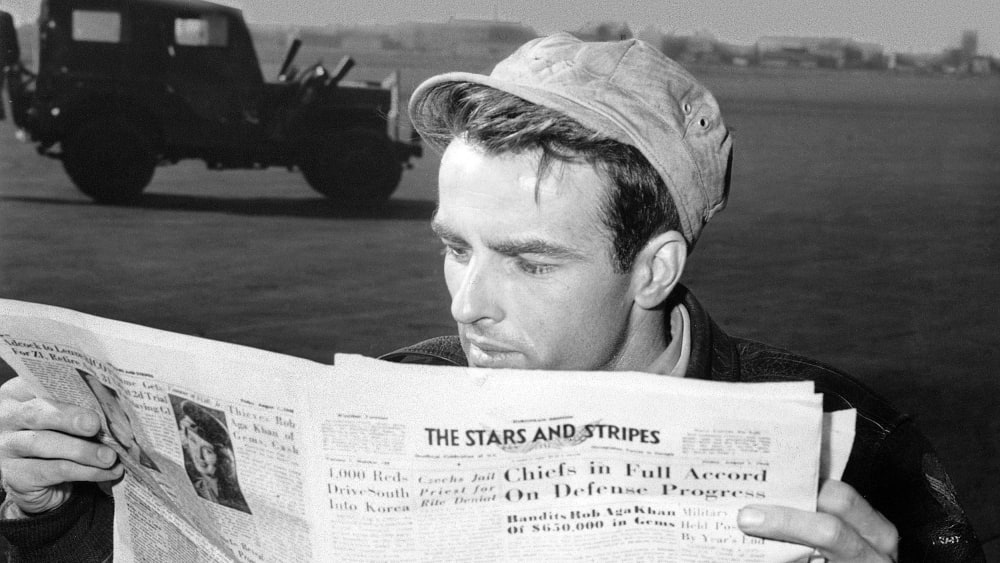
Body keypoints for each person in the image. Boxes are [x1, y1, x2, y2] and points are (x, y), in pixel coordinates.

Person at [0, 33, 984, 562]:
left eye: (529, 260)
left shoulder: (855, 444)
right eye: (453, 247)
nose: (469, 303)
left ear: (652, 267)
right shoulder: (382, 400)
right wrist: (44, 509)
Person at [174, 399, 250, 513]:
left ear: (221, 455)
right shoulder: (192, 488)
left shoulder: (237, 496)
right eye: (193, 441)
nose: (199, 456)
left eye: (208, 451)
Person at [77, 369, 159, 472]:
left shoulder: (127, 440)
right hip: (108, 402)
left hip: (108, 404)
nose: (146, 459)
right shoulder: (128, 439)